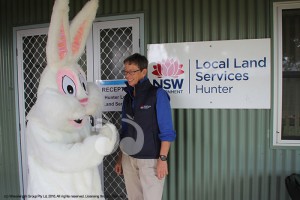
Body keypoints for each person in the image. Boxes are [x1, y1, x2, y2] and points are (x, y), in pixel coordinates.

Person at [114, 53, 176, 200]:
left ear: (143, 71)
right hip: (128, 159)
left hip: (150, 160)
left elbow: (167, 131)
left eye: (132, 72)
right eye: (126, 71)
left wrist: (162, 159)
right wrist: (120, 158)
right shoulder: (127, 98)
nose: (128, 75)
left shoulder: (157, 94)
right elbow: (126, 130)